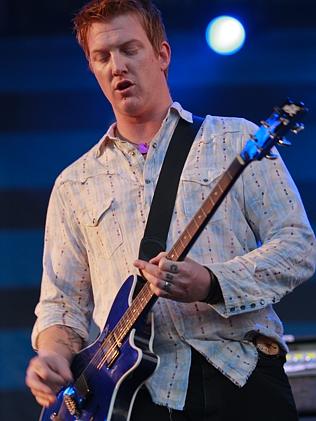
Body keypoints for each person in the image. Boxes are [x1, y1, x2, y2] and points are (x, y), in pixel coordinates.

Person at [25, 1, 316, 420]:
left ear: (162, 55)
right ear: (91, 67)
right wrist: (52, 354)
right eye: (102, 56)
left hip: (238, 373)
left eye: (130, 49)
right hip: (131, 397)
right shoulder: (75, 184)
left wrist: (213, 282)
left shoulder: (236, 139)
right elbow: (61, 303)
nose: (117, 66)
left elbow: (298, 246)